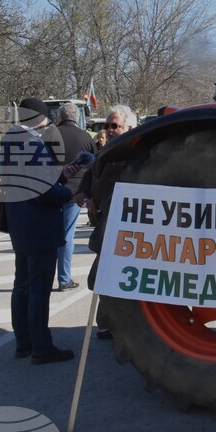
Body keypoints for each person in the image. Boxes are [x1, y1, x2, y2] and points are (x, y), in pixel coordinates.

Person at [6, 97, 79, 364]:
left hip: (21, 223)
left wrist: (62, 174)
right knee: (38, 289)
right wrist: (66, 192)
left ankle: (23, 342)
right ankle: (41, 346)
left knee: (22, 285)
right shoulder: (31, 143)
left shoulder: (10, 141)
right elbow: (42, 190)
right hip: (39, 224)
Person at [73, 105, 137, 340]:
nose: (109, 130)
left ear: (129, 127)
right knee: (104, 275)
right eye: (107, 126)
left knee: (107, 275)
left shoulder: (136, 150)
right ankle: (106, 323)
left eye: (115, 126)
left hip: (120, 222)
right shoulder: (105, 149)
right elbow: (91, 173)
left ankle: (110, 323)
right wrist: (83, 192)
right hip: (101, 217)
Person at [53, 103, 96, 291]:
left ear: (60, 117)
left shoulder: (49, 135)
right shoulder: (86, 137)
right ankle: (64, 278)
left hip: (51, 190)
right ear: (76, 117)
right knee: (67, 235)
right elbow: (94, 166)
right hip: (75, 191)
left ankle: (47, 276)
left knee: (50, 234)